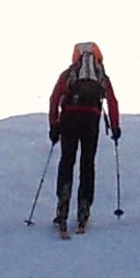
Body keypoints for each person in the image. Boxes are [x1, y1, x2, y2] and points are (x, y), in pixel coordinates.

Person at [47, 41, 120, 238]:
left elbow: (55, 97)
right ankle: (83, 210)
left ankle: (62, 208)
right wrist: (115, 127)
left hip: (69, 119)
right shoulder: (100, 76)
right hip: (91, 120)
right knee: (88, 163)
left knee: (67, 161)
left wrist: (54, 125)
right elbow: (112, 101)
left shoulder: (69, 74)